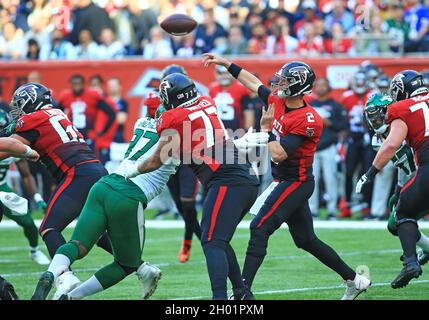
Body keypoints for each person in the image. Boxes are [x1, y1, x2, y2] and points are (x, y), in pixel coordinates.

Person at [202, 53, 371, 300]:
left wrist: (266, 131)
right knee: (306, 240)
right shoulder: (278, 102)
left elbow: (279, 154)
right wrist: (228, 64)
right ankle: (355, 280)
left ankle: (242, 290)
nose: (279, 85)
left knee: (259, 227)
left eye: (285, 81)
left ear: (298, 87)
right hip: (284, 179)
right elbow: (252, 83)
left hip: (297, 181)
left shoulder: (308, 118)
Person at [123, 72, 266, 300]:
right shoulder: (207, 102)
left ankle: (220, 299)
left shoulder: (172, 117)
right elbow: (203, 141)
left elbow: (157, 159)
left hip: (226, 180)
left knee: (212, 241)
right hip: (243, 176)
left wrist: (131, 170)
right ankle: (241, 292)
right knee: (217, 236)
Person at [32, 113, 180, 300]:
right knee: (127, 264)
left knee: (77, 246)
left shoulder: (141, 122)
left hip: (104, 185)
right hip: (129, 194)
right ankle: (72, 297)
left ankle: (51, 274)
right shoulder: (178, 137)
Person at [7, 82, 113, 299]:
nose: (17, 110)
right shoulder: (54, 114)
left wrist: (13, 140)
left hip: (78, 174)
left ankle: (65, 276)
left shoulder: (33, 118)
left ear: (30, 102)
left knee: (48, 227)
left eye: (19, 105)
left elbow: (10, 146)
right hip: (96, 170)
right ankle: (140, 266)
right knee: (95, 231)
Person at [356, 70, 429, 289]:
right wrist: (399, 189)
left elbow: (392, 146)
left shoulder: (401, 111)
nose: (377, 120)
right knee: (396, 217)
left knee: (401, 215)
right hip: (418, 175)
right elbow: (402, 165)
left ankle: (411, 261)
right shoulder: (379, 137)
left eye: (380, 114)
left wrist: (369, 174)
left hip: (424, 172)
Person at [159, 64, 201, 263]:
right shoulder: (157, 102)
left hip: (189, 156)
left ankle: (192, 241)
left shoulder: (195, 100)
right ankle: (196, 239)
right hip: (169, 157)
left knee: (188, 203)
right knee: (180, 205)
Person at [0, 109, 49, 265]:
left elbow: (26, 175)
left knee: (27, 221)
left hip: (2, 187)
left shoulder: (12, 145)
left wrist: (37, 197)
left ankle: (34, 250)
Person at [308, 78, 347, 219]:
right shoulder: (309, 105)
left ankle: (332, 209)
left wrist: (328, 122)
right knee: (312, 180)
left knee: (331, 179)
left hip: (329, 146)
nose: (321, 88)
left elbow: (342, 126)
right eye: (318, 85)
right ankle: (312, 209)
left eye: (323, 85)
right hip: (312, 147)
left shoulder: (335, 106)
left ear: (328, 87)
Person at [340, 71, 374, 219]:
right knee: (349, 171)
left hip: (368, 138)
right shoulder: (346, 97)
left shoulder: (372, 95)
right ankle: (347, 204)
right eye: (357, 82)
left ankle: (367, 205)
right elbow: (344, 120)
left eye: (362, 82)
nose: (360, 85)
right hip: (353, 138)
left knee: (367, 171)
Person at [57, 74, 116, 151]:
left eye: (78, 84)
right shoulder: (65, 96)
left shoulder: (92, 96)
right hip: (72, 135)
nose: (76, 86)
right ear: (71, 84)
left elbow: (111, 113)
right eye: (74, 84)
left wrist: (102, 132)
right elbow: (56, 115)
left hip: (89, 135)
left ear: (83, 84)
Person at [209, 65, 250, 133]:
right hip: (218, 130)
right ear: (216, 74)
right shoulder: (212, 88)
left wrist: (247, 131)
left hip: (236, 131)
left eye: (226, 73)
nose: (224, 76)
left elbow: (248, 111)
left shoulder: (241, 88)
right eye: (221, 73)